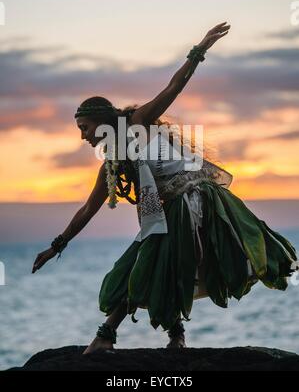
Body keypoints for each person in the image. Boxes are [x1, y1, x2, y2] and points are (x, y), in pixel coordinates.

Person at [32, 22, 297, 353]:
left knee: (154, 262)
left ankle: (105, 338)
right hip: (166, 211)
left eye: (84, 128)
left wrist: (199, 49)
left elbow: (174, 87)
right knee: (151, 266)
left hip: (194, 200)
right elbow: (87, 209)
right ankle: (173, 337)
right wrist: (56, 247)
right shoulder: (111, 165)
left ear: (102, 121)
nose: (83, 136)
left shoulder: (137, 123)